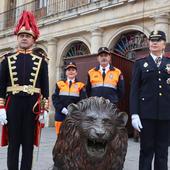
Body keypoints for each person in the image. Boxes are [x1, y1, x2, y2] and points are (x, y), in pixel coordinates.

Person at [0, 11, 49, 170]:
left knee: (28, 144)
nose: (24, 38)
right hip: (13, 104)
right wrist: (1, 107)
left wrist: (45, 108)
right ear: (17, 38)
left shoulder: (41, 61)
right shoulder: (7, 59)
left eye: (27, 36)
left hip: (32, 105)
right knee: (13, 143)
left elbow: (44, 86)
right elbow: (1, 84)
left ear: (33, 40)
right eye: (21, 35)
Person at [130, 30, 170, 170]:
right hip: (146, 116)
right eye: (151, 40)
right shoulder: (141, 64)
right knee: (146, 151)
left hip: (166, 116)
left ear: (164, 44)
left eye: (158, 40)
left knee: (162, 152)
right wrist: (134, 114)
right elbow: (134, 91)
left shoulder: (168, 63)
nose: (154, 42)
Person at [52, 61, 86, 135]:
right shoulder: (59, 84)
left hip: (74, 117)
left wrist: (74, 111)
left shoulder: (81, 85)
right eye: (69, 70)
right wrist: (63, 109)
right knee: (60, 139)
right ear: (66, 72)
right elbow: (55, 99)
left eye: (73, 70)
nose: (71, 72)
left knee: (73, 139)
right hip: (60, 116)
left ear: (76, 72)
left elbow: (83, 101)